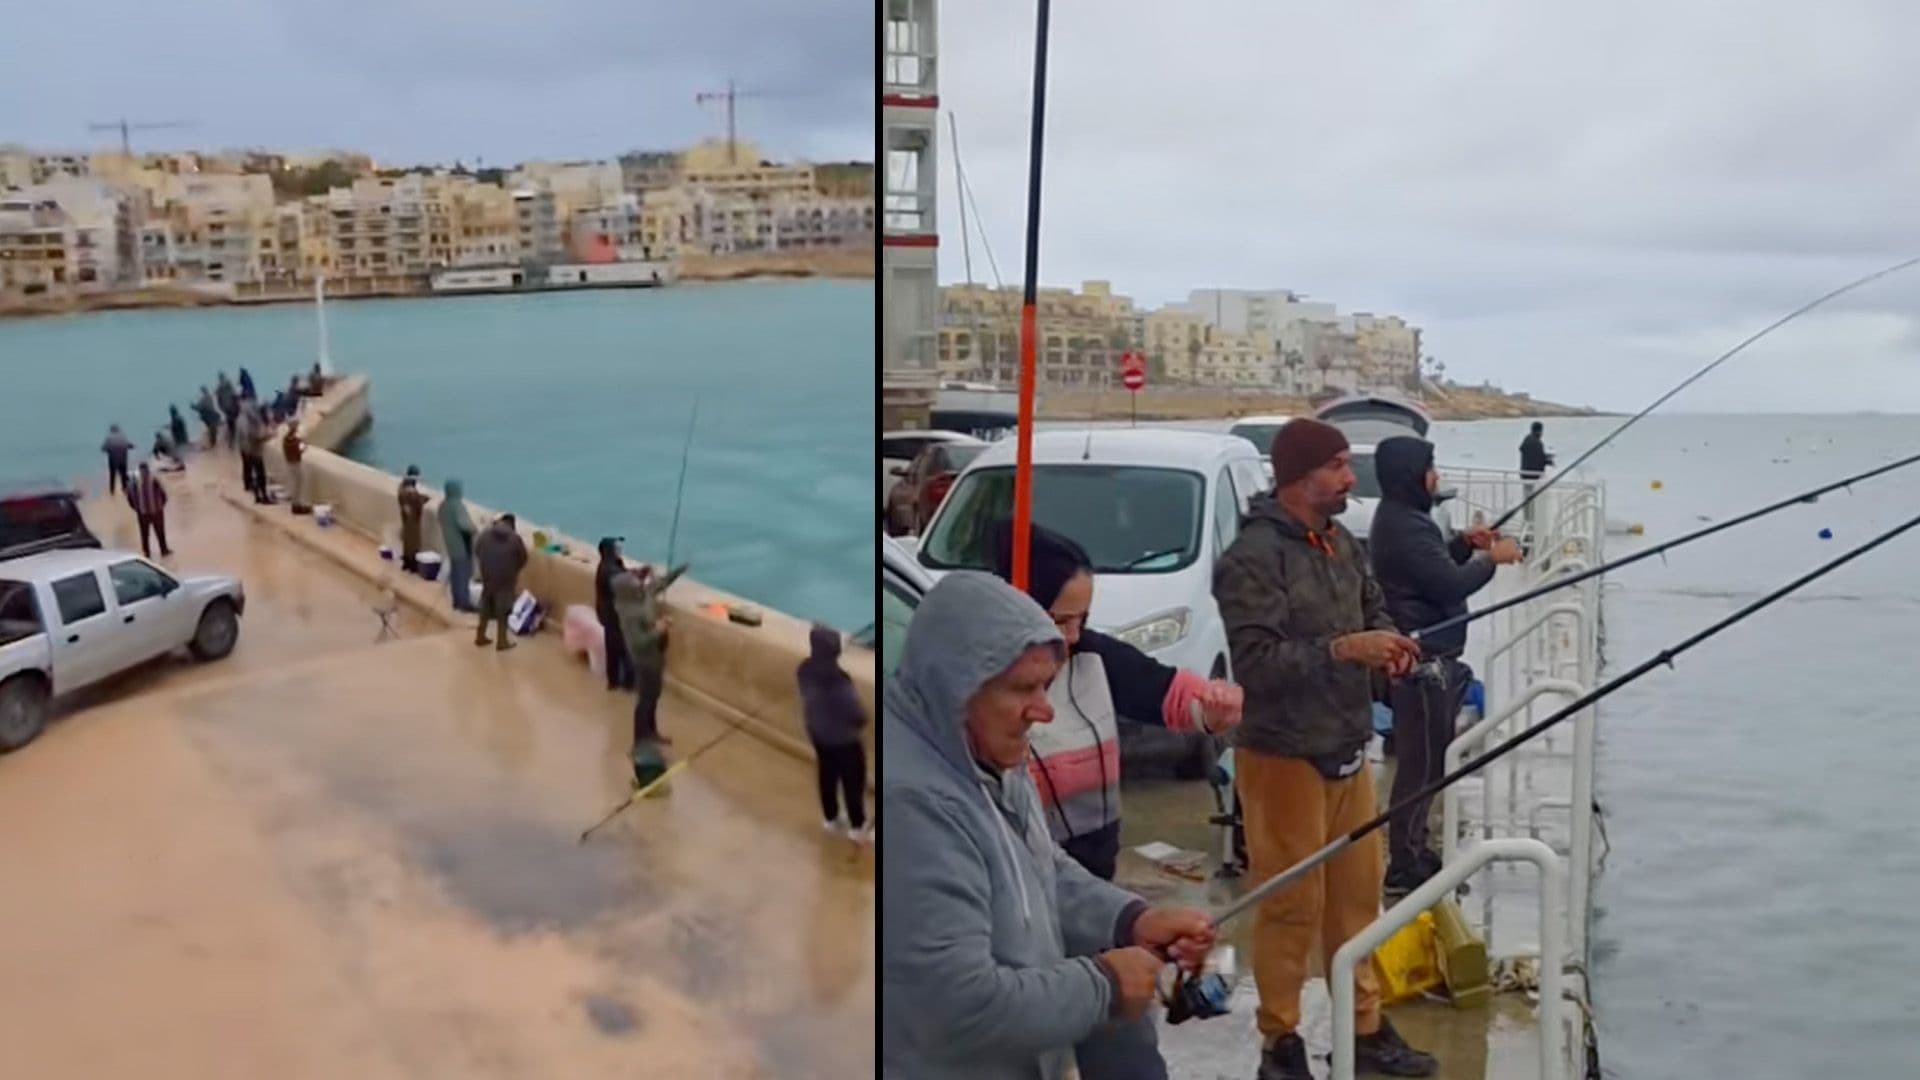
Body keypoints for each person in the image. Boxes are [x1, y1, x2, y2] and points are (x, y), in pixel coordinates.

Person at [882, 571, 1217, 1080]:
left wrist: (1130, 919)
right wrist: (1104, 984)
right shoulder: (912, 804)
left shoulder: (986, 753)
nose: (1043, 710)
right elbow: (955, 1004)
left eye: (1046, 686)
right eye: (1023, 689)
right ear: (956, 688)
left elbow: (1042, 868)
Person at [1212, 417, 1435, 1079]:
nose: (1348, 478)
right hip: (1282, 756)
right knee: (1291, 906)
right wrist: (1346, 650)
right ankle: (1279, 1044)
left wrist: (1388, 645)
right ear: (1298, 477)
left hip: (1347, 745)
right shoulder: (1251, 557)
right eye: (1337, 466)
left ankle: (1362, 1028)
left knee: (1357, 902)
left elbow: (1375, 610)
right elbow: (1254, 662)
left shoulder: (1341, 542)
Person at [985, 521, 1242, 1080]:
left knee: (1129, 1058)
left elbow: (1168, 692)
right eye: (1058, 621)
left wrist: (1213, 703)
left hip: (1095, 893)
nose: (1073, 636)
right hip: (1024, 914)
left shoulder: (1096, 659)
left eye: (1082, 619)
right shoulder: (984, 701)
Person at [1368, 436, 1524, 897]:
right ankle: (1403, 863)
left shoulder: (1408, 520)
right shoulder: (1404, 524)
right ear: (1410, 473)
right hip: (1422, 665)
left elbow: (1432, 569)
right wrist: (1489, 560)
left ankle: (1415, 850)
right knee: (1420, 765)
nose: (1436, 475)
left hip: (1432, 661)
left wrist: (1461, 543)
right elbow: (1447, 583)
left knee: (1432, 760)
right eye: (1430, 467)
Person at [798, 623, 869, 843]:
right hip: (844, 740)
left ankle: (830, 818)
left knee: (827, 775)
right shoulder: (838, 680)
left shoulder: (804, 670)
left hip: (818, 734)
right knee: (853, 781)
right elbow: (854, 712)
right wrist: (863, 720)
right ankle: (857, 827)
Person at [613, 560, 689, 761]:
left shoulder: (644, 595)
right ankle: (638, 743)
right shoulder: (628, 613)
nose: (638, 582)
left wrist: (680, 569)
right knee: (645, 700)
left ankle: (652, 732)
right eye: (633, 582)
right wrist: (659, 630)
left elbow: (661, 583)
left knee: (654, 695)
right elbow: (638, 642)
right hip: (643, 659)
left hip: (656, 656)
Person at [473, 513, 527, 650]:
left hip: (487, 576)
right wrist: (513, 570)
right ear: (512, 525)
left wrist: (486, 564)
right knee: (503, 610)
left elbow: (477, 550)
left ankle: (480, 635)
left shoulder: (485, 534)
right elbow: (523, 558)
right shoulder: (515, 539)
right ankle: (502, 641)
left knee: (485, 605)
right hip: (506, 578)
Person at [594, 537, 635, 691]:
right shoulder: (608, 569)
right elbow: (623, 582)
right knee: (622, 648)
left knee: (613, 647)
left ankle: (614, 681)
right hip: (613, 615)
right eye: (617, 548)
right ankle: (626, 682)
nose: (620, 550)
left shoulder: (611, 565)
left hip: (610, 614)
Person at [438, 478, 478, 613]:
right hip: (461, 545)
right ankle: (463, 603)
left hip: (450, 544)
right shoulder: (457, 505)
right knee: (463, 574)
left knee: (455, 574)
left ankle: (456, 601)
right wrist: (474, 529)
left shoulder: (443, 506)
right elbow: (464, 525)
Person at [126, 461, 172, 558]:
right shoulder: (154, 478)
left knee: (144, 534)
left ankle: (147, 553)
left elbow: (130, 497)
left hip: (142, 513)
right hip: (156, 511)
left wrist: (136, 508)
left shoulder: (134, 480)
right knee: (160, 532)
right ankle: (164, 550)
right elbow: (163, 494)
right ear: (148, 469)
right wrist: (160, 506)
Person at [1518, 421, 1555, 536]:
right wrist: (1548, 460)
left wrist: (1545, 458)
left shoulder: (1527, 440)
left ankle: (1528, 522)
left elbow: (1533, 456)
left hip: (1525, 476)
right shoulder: (1538, 443)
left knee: (1527, 501)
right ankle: (1532, 526)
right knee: (1533, 502)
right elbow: (1539, 459)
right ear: (1540, 431)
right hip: (1534, 478)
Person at [397, 467, 429, 573]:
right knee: (413, 542)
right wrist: (424, 499)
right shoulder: (410, 490)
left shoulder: (402, 486)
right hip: (412, 519)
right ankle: (412, 565)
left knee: (407, 541)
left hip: (406, 518)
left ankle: (406, 563)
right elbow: (416, 501)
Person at [281, 424, 309, 514]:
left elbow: (296, 441)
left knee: (295, 483)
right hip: (295, 463)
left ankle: (296, 504)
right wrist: (304, 446)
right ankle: (296, 506)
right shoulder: (293, 442)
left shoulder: (286, 439)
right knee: (297, 484)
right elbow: (298, 451)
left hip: (289, 463)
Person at [101, 425, 133, 495]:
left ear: (111, 430)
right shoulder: (123, 437)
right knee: (123, 475)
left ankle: (112, 492)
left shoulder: (109, 438)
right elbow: (130, 445)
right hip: (123, 460)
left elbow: (103, 448)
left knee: (112, 476)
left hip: (113, 460)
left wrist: (108, 449)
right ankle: (125, 491)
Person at [215, 372, 239, 447]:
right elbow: (234, 393)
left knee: (230, 423)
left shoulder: (219, 387)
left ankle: (232, 440)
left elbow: (218, 399)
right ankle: (234, 439)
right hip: (232, 406)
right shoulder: (228, 384)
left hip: (226, 408)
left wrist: (221, 407)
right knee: (234, 423)